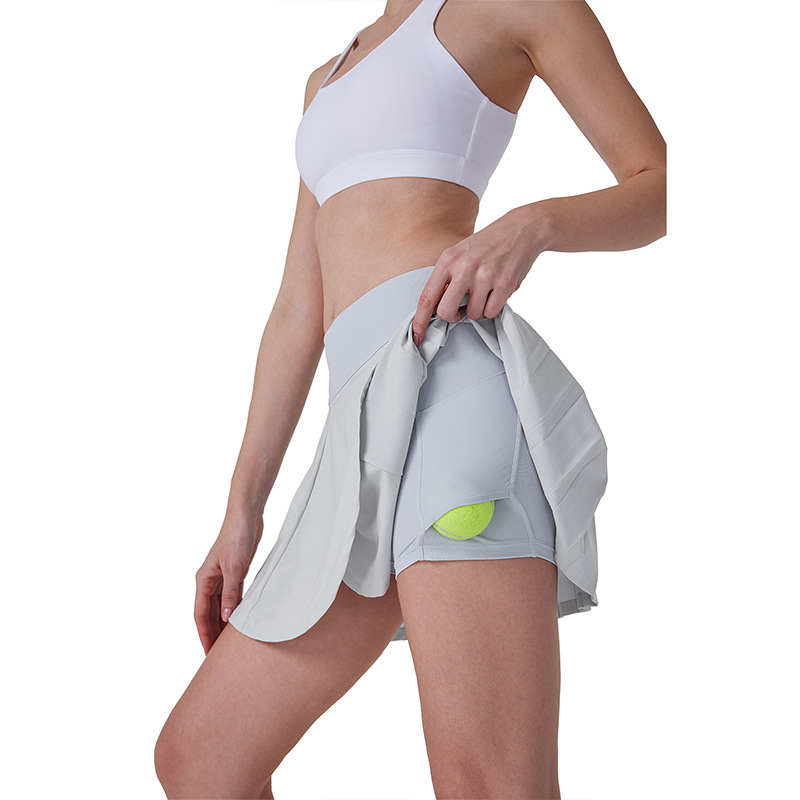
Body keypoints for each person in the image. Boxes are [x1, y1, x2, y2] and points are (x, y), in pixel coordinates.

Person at [154, 1, 666, 797]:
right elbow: (297, 311)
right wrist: (241, 510)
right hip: (356, 441)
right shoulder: (327, 79)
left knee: (487, 783)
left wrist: (531, 226)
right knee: (200, 761)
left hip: (451, 400)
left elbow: (663, 185)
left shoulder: (509, 6)